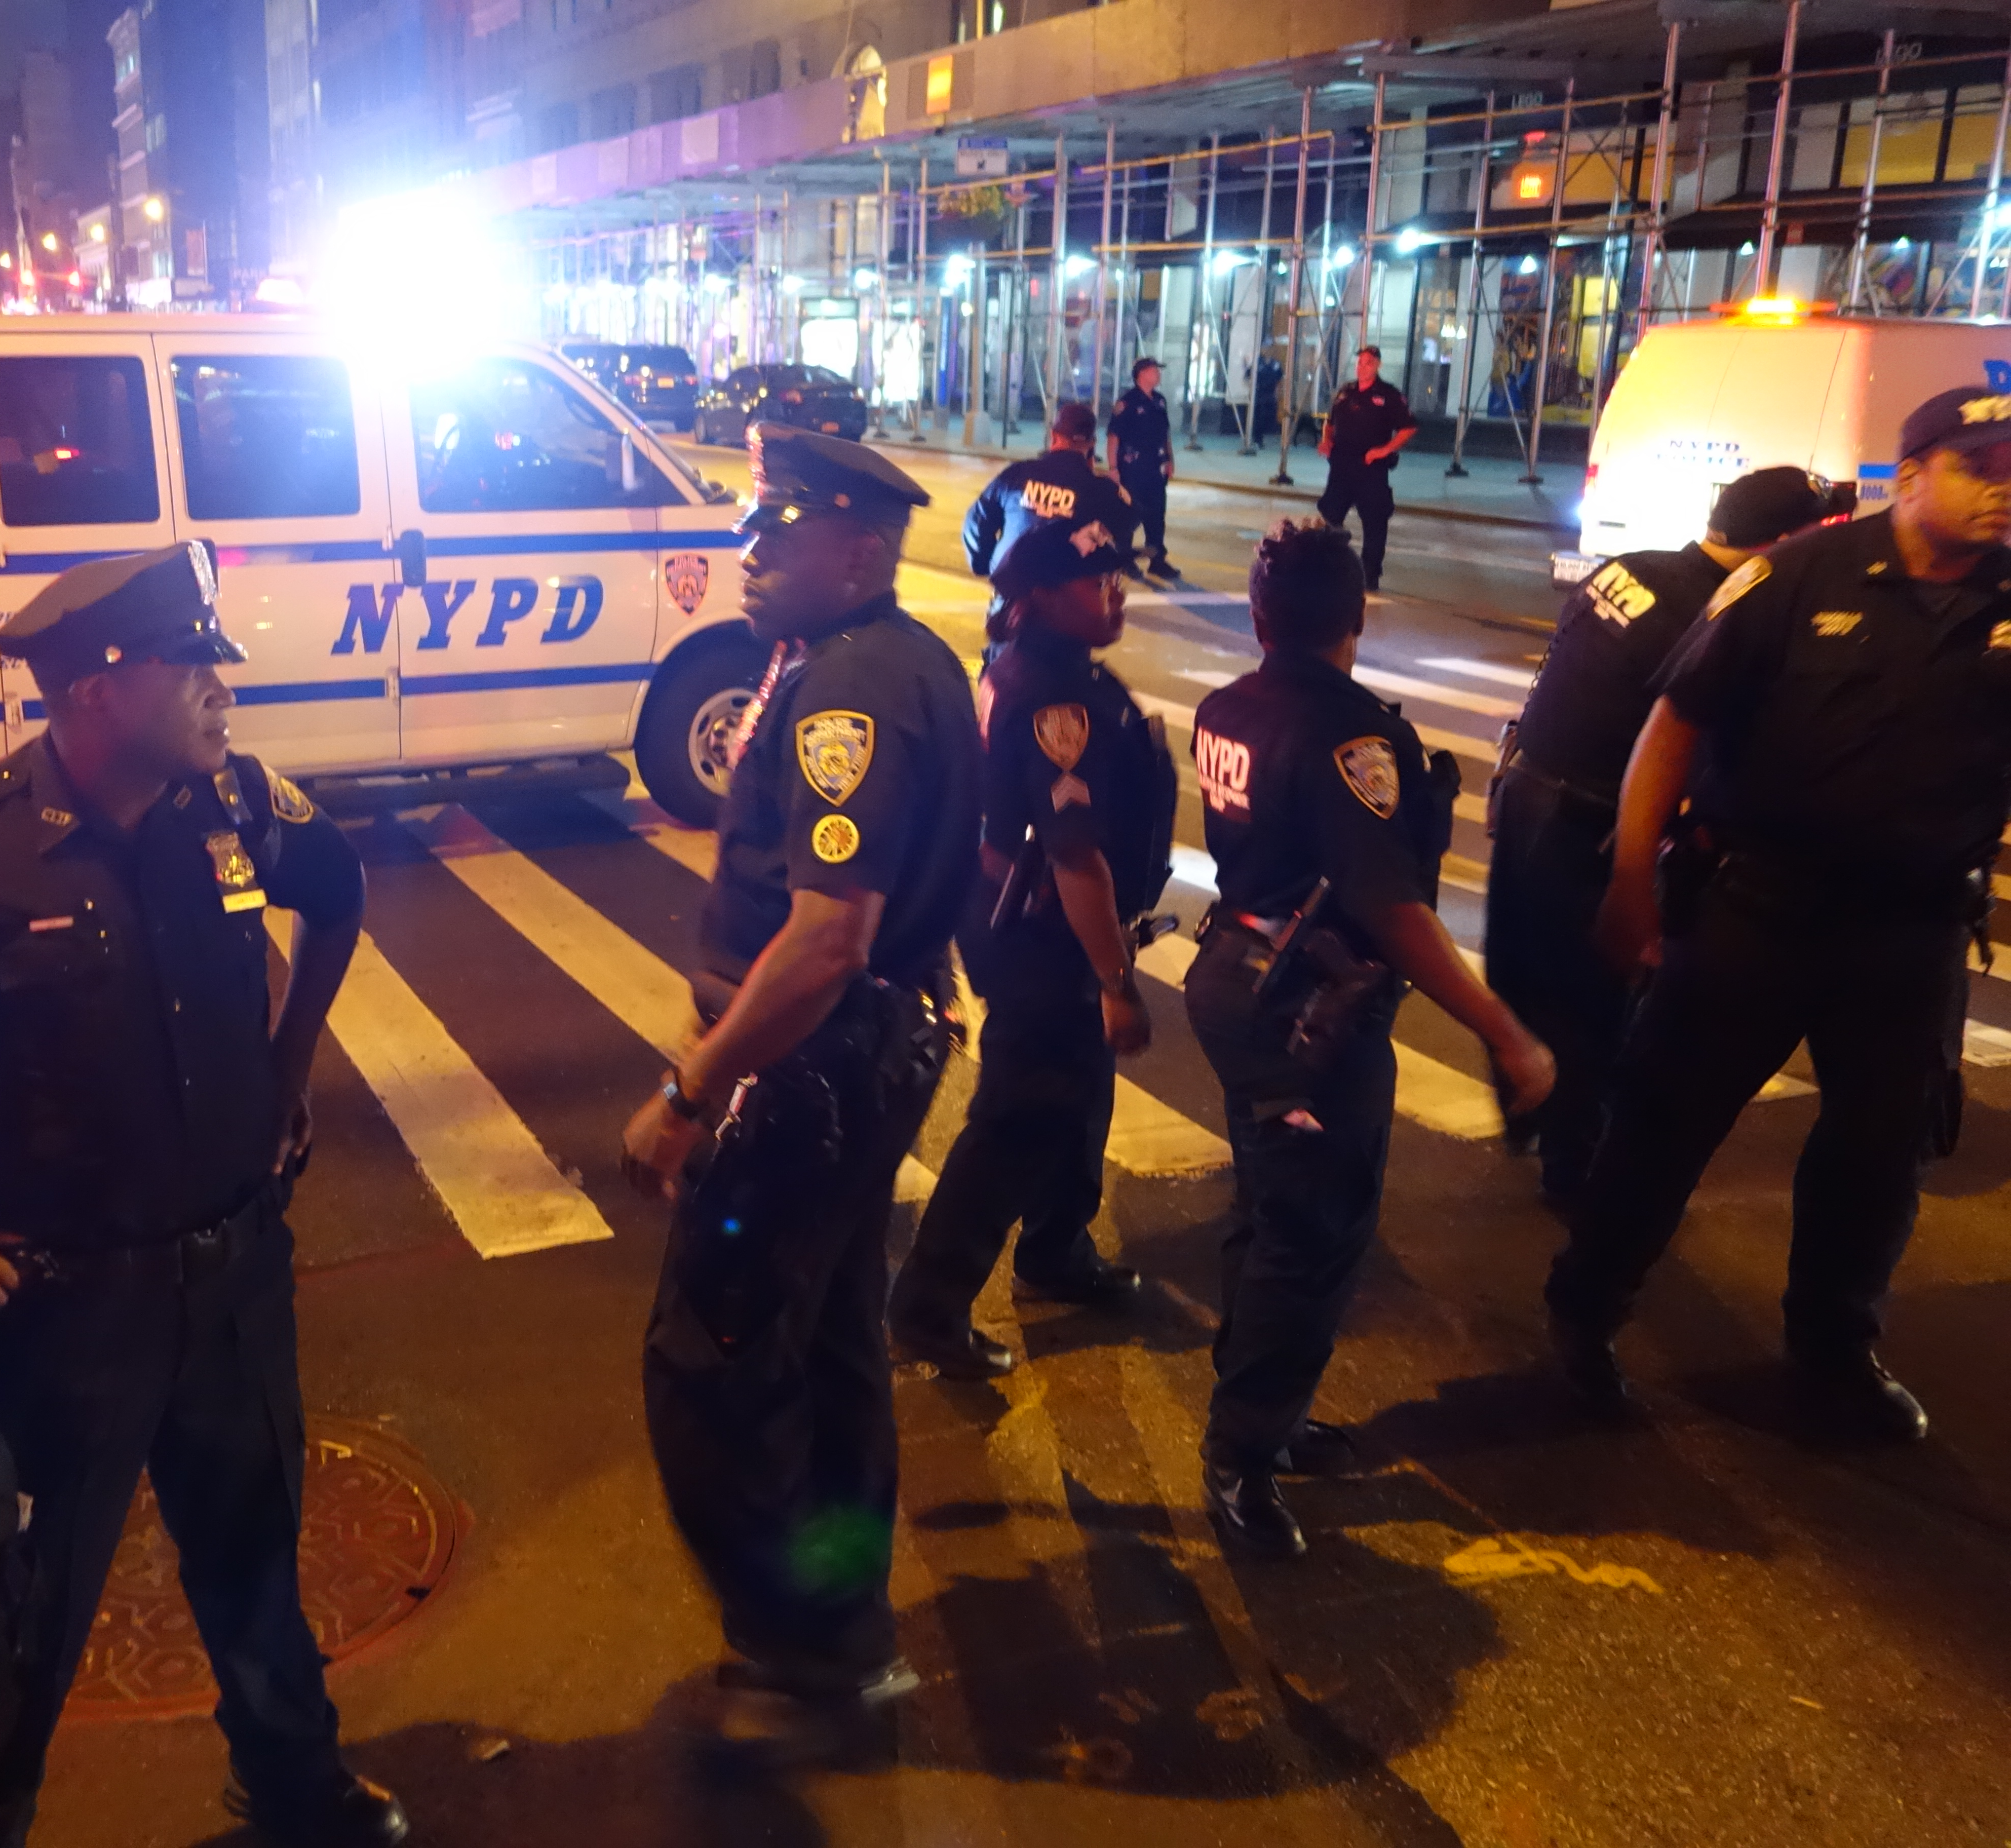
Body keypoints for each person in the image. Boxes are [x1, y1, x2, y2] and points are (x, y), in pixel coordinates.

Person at [0, 545, 405, 1847]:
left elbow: (338, 891)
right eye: (193, 667)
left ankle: (296, 1787)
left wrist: (287, 1067)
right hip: (66, 1314)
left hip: (234, 1280)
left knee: (254, 1555)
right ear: (97, 690)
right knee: (25, 1602)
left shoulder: (237, 802)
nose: (222, 690)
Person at [1546, 386, 2011, 1444]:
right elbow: (1674, 723)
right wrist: (1630, 881)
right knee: (1664, 1124)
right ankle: (1588, 1307)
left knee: (1880, 1153)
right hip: (1755, 914)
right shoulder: (1797, 576)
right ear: (1912, 473)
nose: (2002, 492)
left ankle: (1834, 1346)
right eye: (1979, 468)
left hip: (1911, 934)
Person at [621, 423, 978, 1754]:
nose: (751, 550)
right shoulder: (852, 658)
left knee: (712, 1358)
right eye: (753, 525)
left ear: (862, 550)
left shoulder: (854, 690)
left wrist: (691, 1091)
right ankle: (840, 1626)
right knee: (826, 1347)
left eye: (781, 529)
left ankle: (796, 1644)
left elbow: (828, 937)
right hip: (848, 1058)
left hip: (809, 1075)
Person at [1186, 521, 1554, 1558]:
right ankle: (1242, 1449)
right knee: (1313, 1233)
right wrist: (1505, 1033)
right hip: (1311, 1014)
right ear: (1359, 614)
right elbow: (1391, 908)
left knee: (1270, 1211)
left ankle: (1262, 1408)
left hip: (1237, 982)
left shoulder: (1227, 705)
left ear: (1258, 615)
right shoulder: (1352, 738)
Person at [1486, 467, 1835, 1212]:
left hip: (1528, 793)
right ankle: (1577, 1174)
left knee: (1526, 974)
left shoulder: (1632, 569)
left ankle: (1533, 1117)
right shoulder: (1714, 616)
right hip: (1589, 827)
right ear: (1780, 544)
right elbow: (1707, 750)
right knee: (1595, 1003)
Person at [888, 517, 1171, 1378]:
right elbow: (1074, 855)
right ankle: (928, 1302)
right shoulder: (1055, 696)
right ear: (1043, 596)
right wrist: (1115, 981)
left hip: (1035, 922)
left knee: (1079, 1087)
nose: (1116, 594)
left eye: (1119, 579)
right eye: (1097, 582)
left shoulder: (1033, 663)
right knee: (1020, 1110)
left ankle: (1056, 1247)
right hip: (1039, 933)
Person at [962, 399, 1141, 591]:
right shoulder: (1100, 489)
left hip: (1012, 585)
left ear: (1054, 435)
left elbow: (977, 520)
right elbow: (1130, 520)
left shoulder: (1016, 474)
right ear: (1092, 444)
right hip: (1066, 594)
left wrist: (984, 564)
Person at [1314, 345, 1417, 592]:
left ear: (1378, 365)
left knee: (1374, 521)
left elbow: (1409, 428)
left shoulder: (1388, 395)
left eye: (1368, 363)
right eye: (1360, 363)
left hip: (1370, 469)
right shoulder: (1346, 392)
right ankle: (1330, 568)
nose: (1362, 367)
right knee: (1331, 518)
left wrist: (1385, 450)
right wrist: (1327, 441)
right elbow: (1330, 422)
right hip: (1341, 467)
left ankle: (1370, 574)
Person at [1107, 358, 1182, 581]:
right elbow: (1114, 437)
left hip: (1155, 470)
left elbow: (1165, 434)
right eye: (1154, 371)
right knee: (1130, 516)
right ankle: (1124, 560)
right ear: (1142, 374)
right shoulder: (1127, 403)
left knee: (1156, 517)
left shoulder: (1159, 401)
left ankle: (1157, 561)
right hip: (1132, 469)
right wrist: (1113, 468)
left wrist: (1170, 459)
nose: (1158, 374)